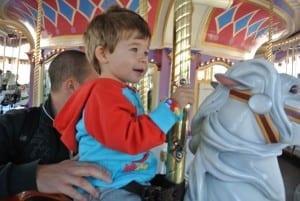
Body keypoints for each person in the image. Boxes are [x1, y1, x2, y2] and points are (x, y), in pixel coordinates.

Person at [53, 5, 194, 201]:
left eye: (145, 52)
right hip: (111, 187)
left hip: (126, 182)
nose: (143, 58)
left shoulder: (118, 92)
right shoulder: (103, 94)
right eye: (134, 49)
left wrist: (171, 120)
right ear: (103, 54)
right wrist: (172, 107)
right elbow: (130, 138)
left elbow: (138, 134)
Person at [0, 50, 112, 201]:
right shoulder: (16, 125)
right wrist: (35, 175)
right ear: (71, 86)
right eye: (98, 87)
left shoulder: (107, 132)